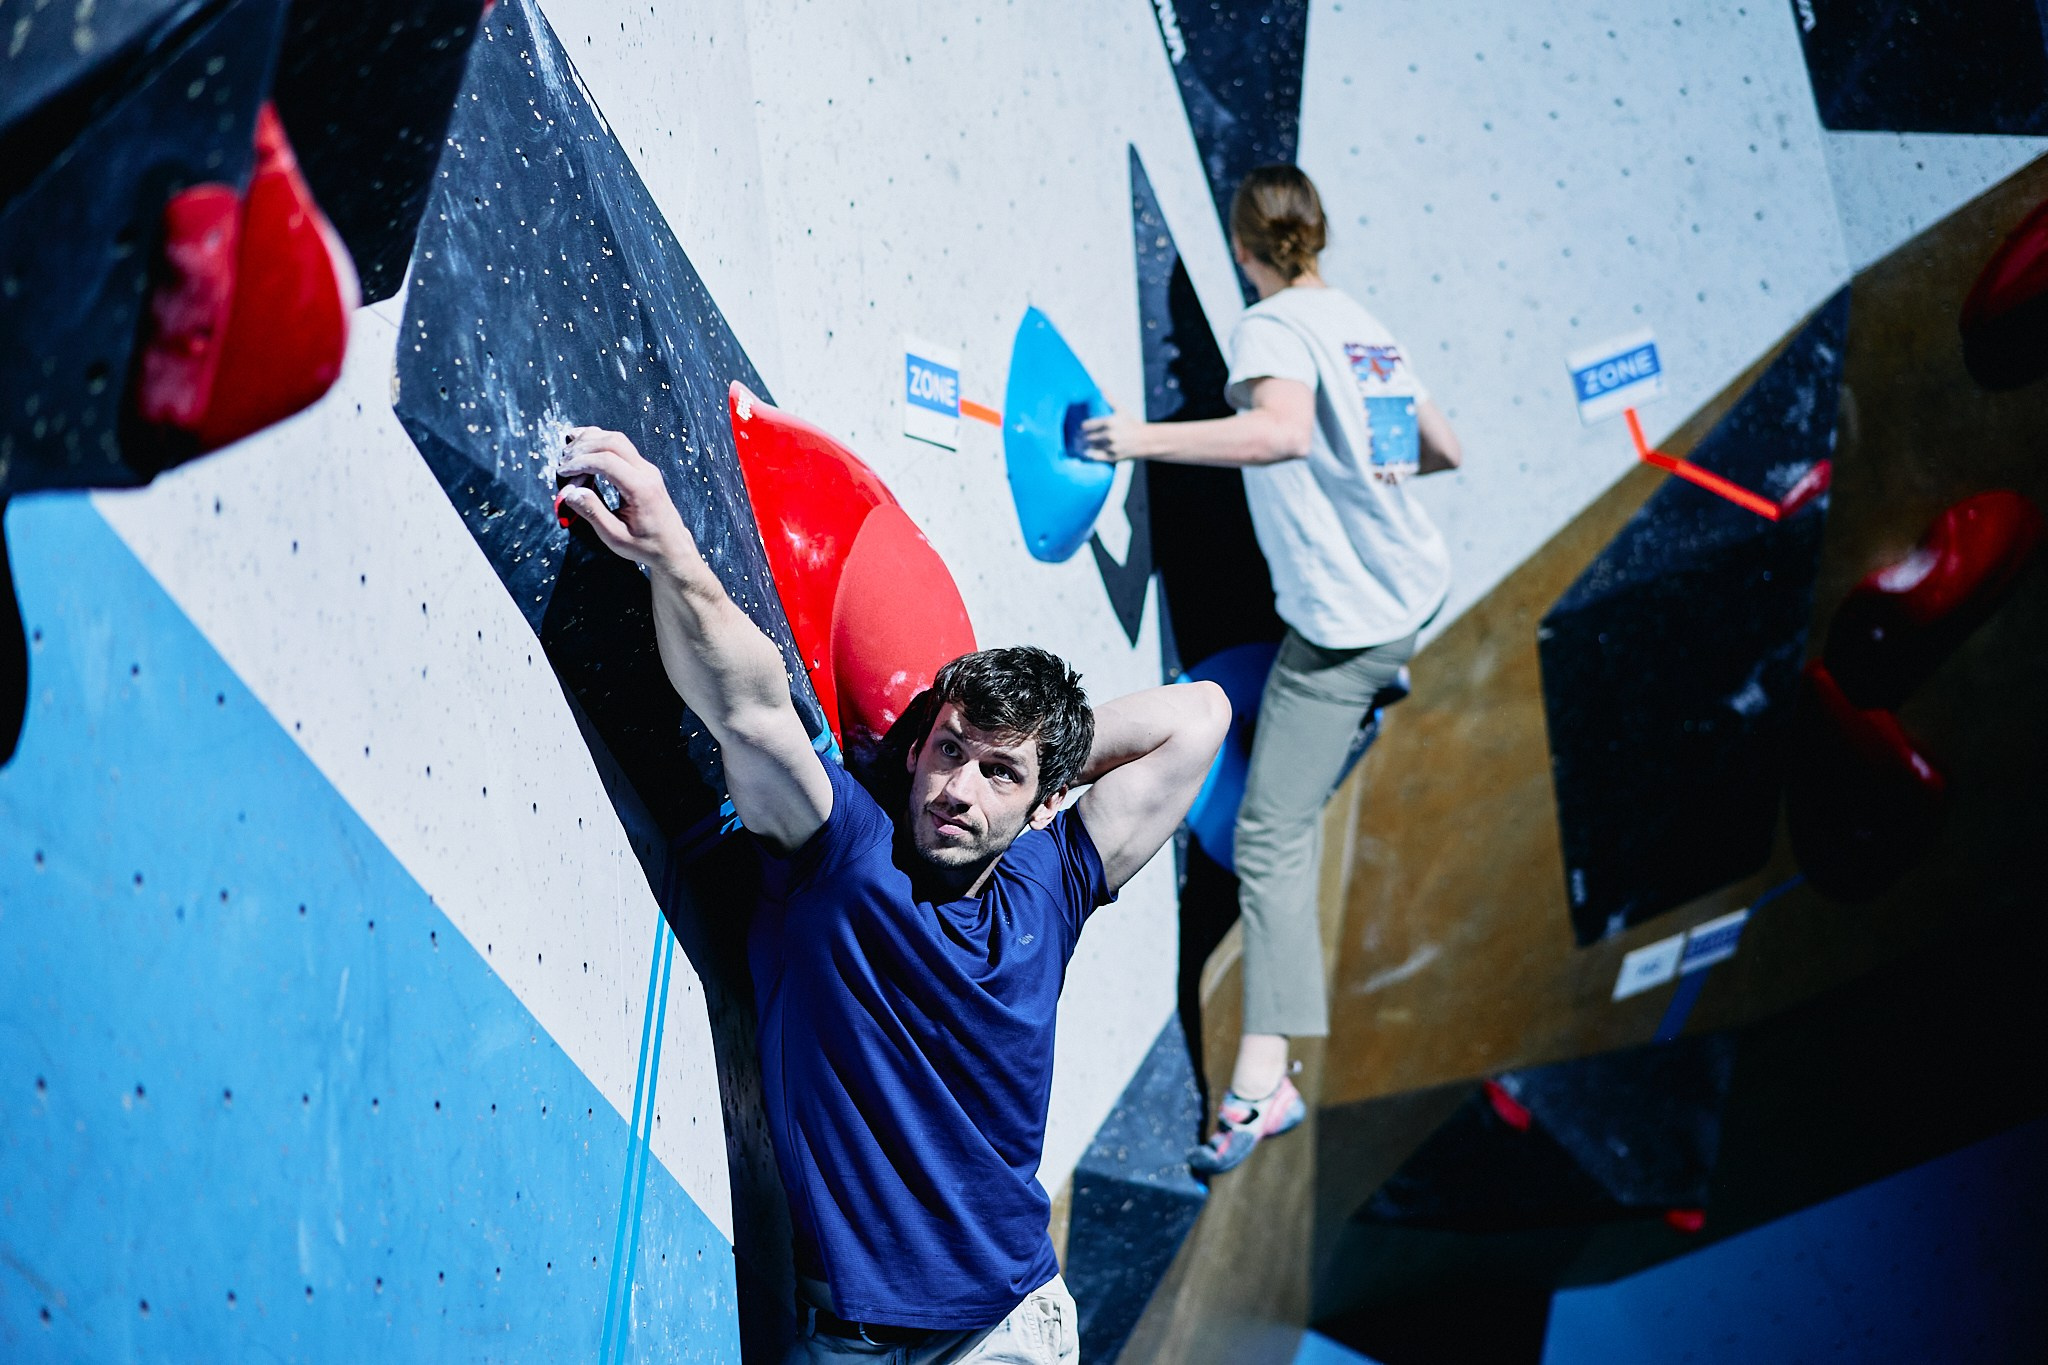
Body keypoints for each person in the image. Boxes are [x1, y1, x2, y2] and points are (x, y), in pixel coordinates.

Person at [553, 425, 1230, 1361]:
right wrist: (671, 549)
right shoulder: (842, 855)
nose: (958, 789)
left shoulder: (1054, 883)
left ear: (1045, 804)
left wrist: (1050, 754)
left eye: (999, 774)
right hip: (850, 1336)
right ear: (917, 749)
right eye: (950, 749)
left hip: (1008, 1325)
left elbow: (1203, 716)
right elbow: (750, 708)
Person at [1082, 163, 1463, 1175]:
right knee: (1278, 709)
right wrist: (1358, 478)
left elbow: (1278, 433)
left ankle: (1260, 1089)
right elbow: (1438, 447)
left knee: (1268, 839)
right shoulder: (1355, 322)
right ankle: (1364, 700)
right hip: (1400, 590)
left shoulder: (1267, 328)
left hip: (1345, 630)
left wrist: (1137, 440)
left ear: (1242, 248)